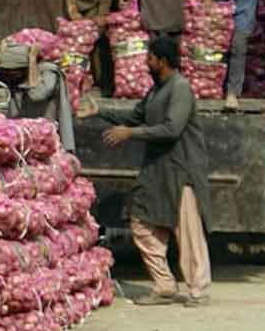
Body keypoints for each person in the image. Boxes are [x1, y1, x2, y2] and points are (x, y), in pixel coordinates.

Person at [78, 36, 212, 307]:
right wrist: (100, 111)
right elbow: (135, 116)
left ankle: (198, 290)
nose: (146, 62)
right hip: (158, 170)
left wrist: (130, 134)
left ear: (162, 61)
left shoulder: (180, 89)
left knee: (187, 232)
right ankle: (164, 286)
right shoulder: (155, 91)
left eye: (150, 58)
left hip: (182, 171)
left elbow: (172, 129)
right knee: (141, 223)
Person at [0, 43, 75, 153]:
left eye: (12, 71)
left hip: (45, 138)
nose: (8, 74)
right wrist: (0, 55)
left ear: (24, 67)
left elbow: (36, 95)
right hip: (20, 136)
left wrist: (32, 59)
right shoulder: (13, 75)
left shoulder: (49, 72)